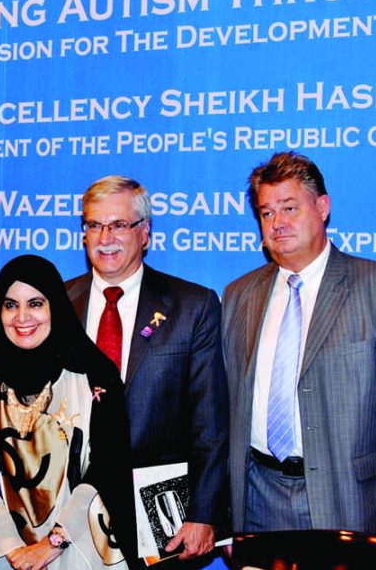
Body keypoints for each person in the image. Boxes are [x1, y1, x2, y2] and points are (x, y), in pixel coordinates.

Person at [223, 151, 376, 541]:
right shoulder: (238, 295)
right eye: (266, 213)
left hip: (348, 501)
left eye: (289, 208)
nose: (277, 224)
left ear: (323, 207)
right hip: (258, 500)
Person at [64, 176, 228, 563]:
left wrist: (204, 513)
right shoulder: (57, 305)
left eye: (119, 225)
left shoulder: (192, 306)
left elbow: (211, 423)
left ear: (145, 233)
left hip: (160, 510)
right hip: (68, 511)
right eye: (93, 225)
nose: (105, 237)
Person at [0, 254, 137, 570]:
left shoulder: (95, 376)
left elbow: (110, 469)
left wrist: (53, 543)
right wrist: (13, 549)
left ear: (55, 306)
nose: (22, 317)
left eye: (35, 303)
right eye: (10, 305)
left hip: (83, 551)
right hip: (7, 557)